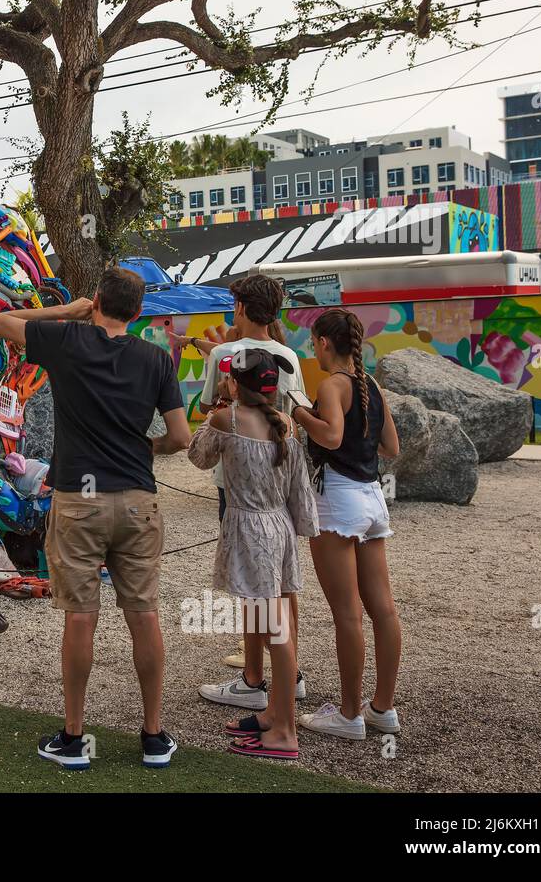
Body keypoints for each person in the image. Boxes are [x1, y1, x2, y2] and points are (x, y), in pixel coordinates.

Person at [0, 266, 191, 771]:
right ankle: (153, 735)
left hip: (78, 500)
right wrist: (149, 448)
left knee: (81, 616)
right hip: (138, 498)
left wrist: (66, 310)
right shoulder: (155, 359)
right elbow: (181, 437)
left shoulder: (68, 341)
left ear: (95, 300)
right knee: (143, 613)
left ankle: (75, 736)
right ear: (138, 312)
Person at [173, 274, 307, 710]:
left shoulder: (226, 356)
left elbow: (210, 408)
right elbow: (293, 411)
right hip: (278, 480)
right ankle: (290, 672)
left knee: (251, 586)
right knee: (283, 584)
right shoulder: (288, 355)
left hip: (239, 487)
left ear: (242, 308)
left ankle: (254, 677)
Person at [187, 348, 317, 759]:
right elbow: (299, 489)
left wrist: (210, 416)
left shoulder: (226, 420)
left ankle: (285, 732)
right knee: (270, 621)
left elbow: (198, 456)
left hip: (252, 532)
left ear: (234, 383)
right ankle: (274, 712)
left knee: (275, 630)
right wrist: (304, 529)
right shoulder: (285, 425)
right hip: (278, 529)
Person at [290, 308, 403, 740]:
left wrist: (301, 413)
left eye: (313, 343)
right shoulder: (371, 384)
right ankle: (383, 708)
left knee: (347, 613)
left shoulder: (332, 385)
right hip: (372, 497)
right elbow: (391, 446)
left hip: (337, 500)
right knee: (383, 609)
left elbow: (331, 436)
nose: (313, 350)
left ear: (323, 342)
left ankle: (350, 714)